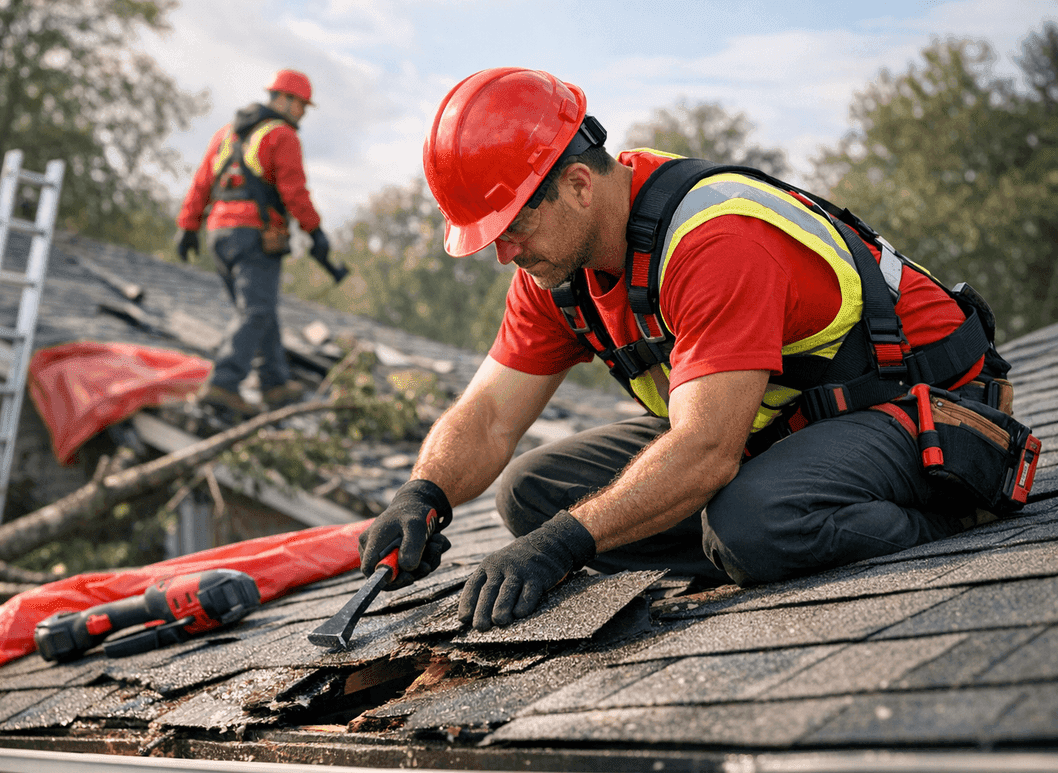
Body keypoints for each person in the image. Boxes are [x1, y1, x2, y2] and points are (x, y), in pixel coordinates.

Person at [357, 67, 1025, 632]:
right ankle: (766, 532)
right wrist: (422, 495)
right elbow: (490, 417)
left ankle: (935, 518)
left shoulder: (715, 240)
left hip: (921, 412)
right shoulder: (559, 265)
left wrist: (565, 544)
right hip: (780, 428)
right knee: (533, 494)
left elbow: (706, 448)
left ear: (579, 186)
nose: (504, 253)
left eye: (511, 227)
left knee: (751, 524)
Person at [176, 68, 342, 416]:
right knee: (255, 311)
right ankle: (223, 384)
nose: (302, 113)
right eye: (300, 105)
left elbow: (201, 183)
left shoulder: (226, 135)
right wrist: (315, 232)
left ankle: (275, 384)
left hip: (218, 236)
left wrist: (188, 226)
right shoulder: (282, 136)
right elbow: (294, 192)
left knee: (258, 308)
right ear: (281, 99)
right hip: (254, 236)